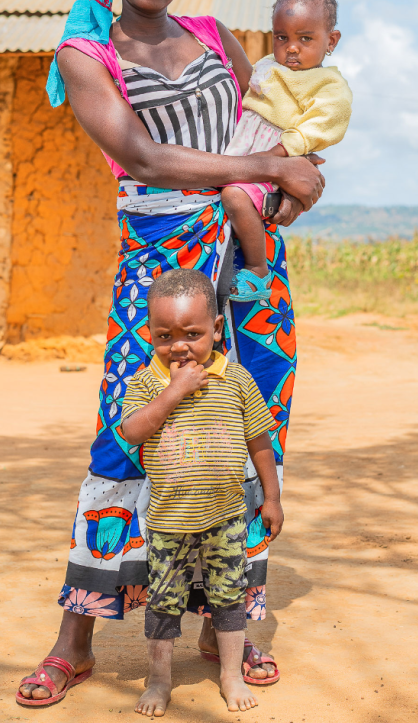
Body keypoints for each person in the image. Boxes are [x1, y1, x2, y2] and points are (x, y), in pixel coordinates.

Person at [16, 0, 325, 708]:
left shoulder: (216, 36)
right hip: (159, 268)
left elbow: (272, 124)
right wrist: (263, 176)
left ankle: (231, 617)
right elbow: (142, 157)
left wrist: (295, 182)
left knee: (248, 418)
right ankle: (76, 636)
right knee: (127, 433)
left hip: (251, 262)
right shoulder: (87, 51)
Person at [121, 269, 284, 717]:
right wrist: (173, 392)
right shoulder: (145, 384)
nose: (179, 345)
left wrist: (271, 498)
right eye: (164, 335)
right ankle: (159, 680)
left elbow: (260, 444)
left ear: (215, 329)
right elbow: (132, 431)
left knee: (229, 598)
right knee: (163, 603)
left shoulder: (237, 381)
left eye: (192, 334)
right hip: (168, 522)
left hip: (227, 516)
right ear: (149, 334)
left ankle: (230, 674)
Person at [221, 0, 353, 301]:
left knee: (235, 196)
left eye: (305, 39)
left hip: (274, 160)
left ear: (331, 40)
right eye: (282, 37)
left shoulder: (330, 86)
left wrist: (277, 155)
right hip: (245, 150)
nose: (291, 47)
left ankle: (257, 272)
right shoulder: (269, 65)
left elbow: (317, 128)